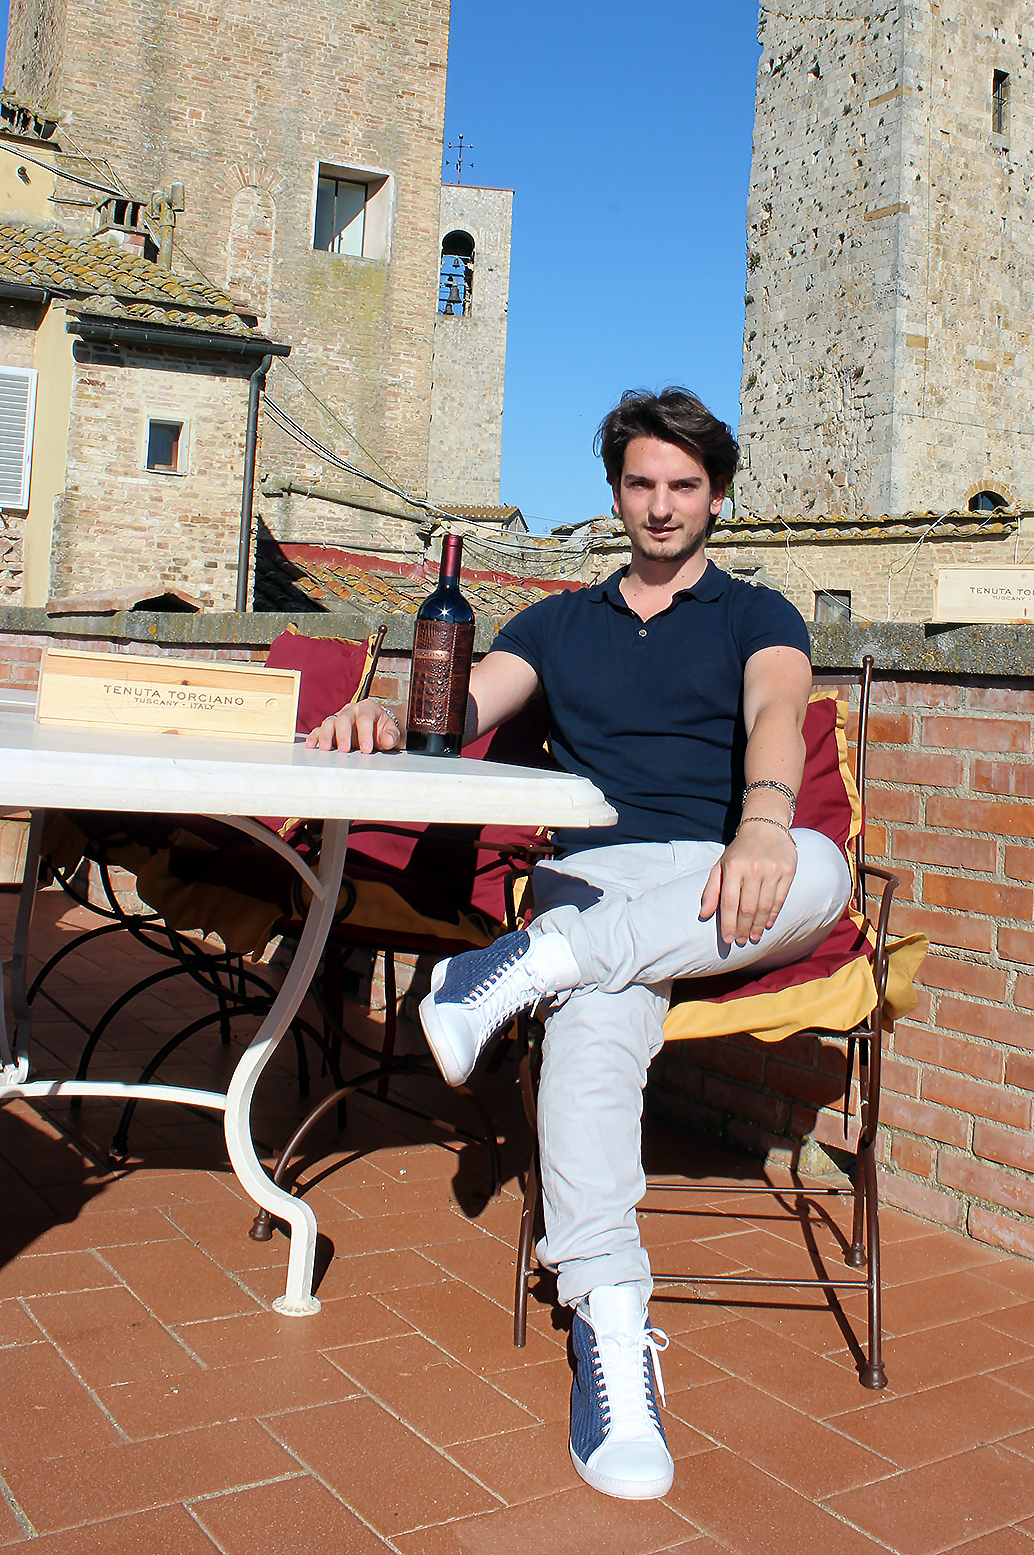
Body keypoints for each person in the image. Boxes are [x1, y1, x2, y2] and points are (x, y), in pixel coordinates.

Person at [309, 387, 851, 1501]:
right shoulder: (554, 622)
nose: (662, 506)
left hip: (715, 876)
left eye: (684, 486)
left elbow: (774, 715)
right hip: (597, 874)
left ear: (715, 498)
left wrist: (757, 823)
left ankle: (523, 972)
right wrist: (385, 710)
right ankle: (610, 1325)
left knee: (822, 869)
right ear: (615, 494)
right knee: (599, 1022)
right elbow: (457, 709)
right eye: (642, 484)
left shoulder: (757, 613)